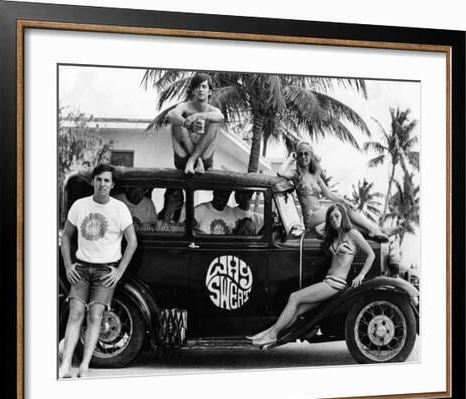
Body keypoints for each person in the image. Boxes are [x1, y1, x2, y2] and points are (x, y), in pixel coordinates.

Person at [248, 204, 375, 347]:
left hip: (335, 284)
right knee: (297, 310)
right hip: (328, 281)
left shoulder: (353, 234)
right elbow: (315, 228)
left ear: (344, 216)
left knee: (294, 297)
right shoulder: (334, 235)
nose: (334, 220)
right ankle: (268, 333)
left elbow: (371, 254)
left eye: (337, 216)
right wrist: (327, 223)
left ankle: (271, 335)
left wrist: (361, 275)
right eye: (331, 218)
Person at [59, 164, 138, 378]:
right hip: (82, 268)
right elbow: (66, 236)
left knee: (95, 316)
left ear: (112, 185)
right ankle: (66, 365)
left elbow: (132, 242)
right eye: (99, 179)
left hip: (105, 270)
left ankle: (84, 366)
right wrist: (68, 265)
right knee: (75, 314)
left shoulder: (119, 209)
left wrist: (119, 271)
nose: (102, 184)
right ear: (93, 181)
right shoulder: (79, 206)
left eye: (107, 180)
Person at [277, 141, 389, 242]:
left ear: (311, 156)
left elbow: (329, 194)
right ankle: (374, 229)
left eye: (306, 153)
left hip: (320, 211)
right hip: (311, 217)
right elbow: (280, 172)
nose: (303, 156)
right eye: (300, 154)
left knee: (346, 213)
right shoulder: (296, 174)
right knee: (341, 210)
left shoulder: (315, 176)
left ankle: (376, 231)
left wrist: (345, 201)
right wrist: (291, 158)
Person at [166, 73, 224, 175]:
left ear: (209, 91)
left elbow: (220, 117)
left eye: (204, 86)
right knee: (177, 122)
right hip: (183, 159)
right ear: (193, 91)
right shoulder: (185, 106)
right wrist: (187, 124)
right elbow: (170, 115)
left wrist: (198, 116)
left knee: (214, 123)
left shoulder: (212, 110)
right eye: (197, 86)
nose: (201, 89)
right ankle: (196, 160)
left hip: (205, 160)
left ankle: (193, 160)